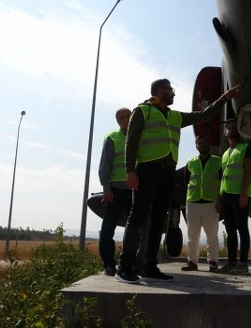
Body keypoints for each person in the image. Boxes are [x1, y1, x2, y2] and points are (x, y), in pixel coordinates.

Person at [115, 79, 242, 284]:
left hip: (167, 172)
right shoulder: (142, 111)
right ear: (158, 91)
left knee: (158, 220)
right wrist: (130, 170)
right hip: (147, 169)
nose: (173, 93)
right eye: (170, 90)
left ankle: (149, 266)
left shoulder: (175, 116)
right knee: (137, 216)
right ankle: (125, 266)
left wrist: (225, 98)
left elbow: (204, 115)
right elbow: (132, 140)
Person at [216, 118, 251, 275]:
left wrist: (244, 193)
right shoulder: (225, 154)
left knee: (242, 229)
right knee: (230, 230)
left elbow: (248, 172)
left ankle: (243, 264)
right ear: (225, 133)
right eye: (228, 128)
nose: (230, 130)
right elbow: (223, 178)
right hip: (226, 196)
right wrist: (219, 198)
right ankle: (231, 263)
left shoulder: (245, 148)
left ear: (238, 131)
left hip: (240, 195)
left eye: (233, 128)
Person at [98, 107, 132, 276]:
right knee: (107, 229)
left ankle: (129, 263)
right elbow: (104, 166)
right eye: (128, 116)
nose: (131, 118)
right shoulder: (112, 138)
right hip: (116, 190)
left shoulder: (139, 137)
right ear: (120, 120)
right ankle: (109, 264)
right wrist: (106, 188)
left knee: (134, 229)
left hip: (134, 190)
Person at [181, 135, 222, 273]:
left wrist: (219, 199)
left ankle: (213, 262)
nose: (202, 144)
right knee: (192, 235)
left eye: (204, 142)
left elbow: (223, 182)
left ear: (208, 144)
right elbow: (186, 182)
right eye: (199, 143)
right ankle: (192, 262)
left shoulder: (218, 162)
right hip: (193, 202)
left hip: (211, 203)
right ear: (196, 146)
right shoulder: (190, 163)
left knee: (212, 235)